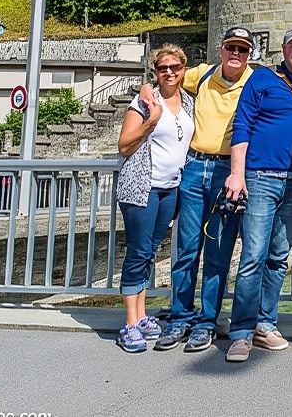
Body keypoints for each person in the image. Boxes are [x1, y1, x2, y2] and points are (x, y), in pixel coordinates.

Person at [222, 28, 292, 363]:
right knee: (253, 254)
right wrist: (237, 173)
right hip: (261, 176)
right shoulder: (262, 79)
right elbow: (243, 124)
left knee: (279, 255)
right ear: (283, 49)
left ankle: (265, 324)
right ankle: (241, 331)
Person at [152, 26, 257, 353]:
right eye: (230, 47)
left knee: (218, 251)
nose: (235, 54)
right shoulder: (204, 73)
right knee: (185, 248)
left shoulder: (255, 82)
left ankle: (207, 321)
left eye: (242, 48)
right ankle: (180, 316)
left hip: (229, 172)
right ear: (221, 49)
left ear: (249, 53)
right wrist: (146, 92)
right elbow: (169, 77)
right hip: (195, 166)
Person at [115, 45, 194, 353]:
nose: (170, 72)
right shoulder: (144, 102)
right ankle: (131, 323)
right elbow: (124, 145)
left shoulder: (189, 102)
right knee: (137, 252)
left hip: (170, 188)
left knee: (149, 251)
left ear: (184, 68)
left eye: (175, 67)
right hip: (142, 187)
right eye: (163, 68)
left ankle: (143, 315)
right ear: (155, 72)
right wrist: (152, 119)